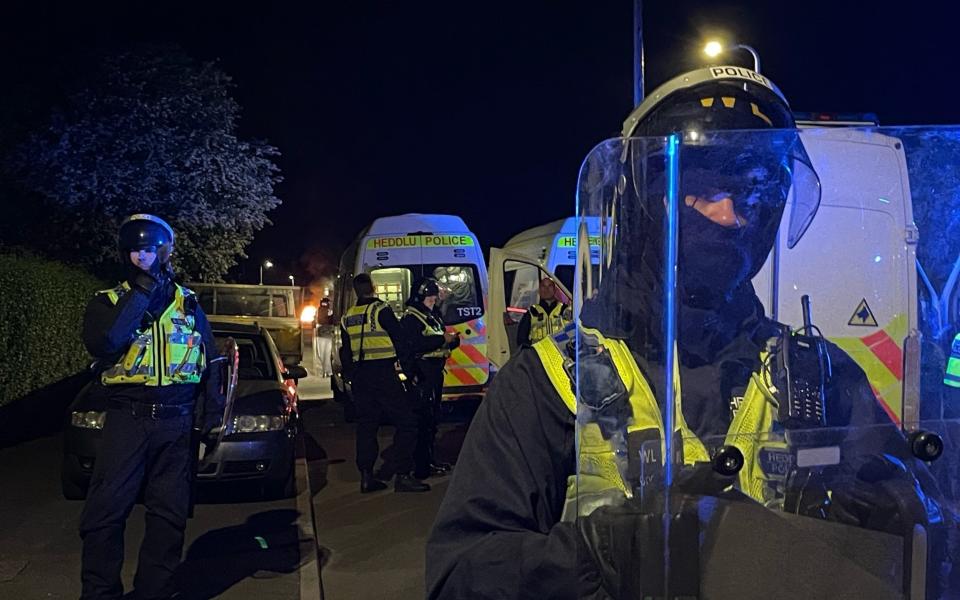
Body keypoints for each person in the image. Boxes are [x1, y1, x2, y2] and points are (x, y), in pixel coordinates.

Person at [426, 67, 953, 598]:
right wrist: (601, 556)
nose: (731, 217)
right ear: (643, 204)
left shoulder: (820, 375)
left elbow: (927, 534)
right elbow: (459, 574)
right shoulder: (549, 384)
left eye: (752, 195)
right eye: (702, 188)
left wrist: (915, 516)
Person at [79, 214, 225, 600]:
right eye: (134, 251)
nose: (141, 258)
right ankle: (99, 592)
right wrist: (142, 290)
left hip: (177, 422)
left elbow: (210, 361)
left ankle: (156, 590)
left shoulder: (188, 304)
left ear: (165, 251)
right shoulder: (106, 301)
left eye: (149, 250)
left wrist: (212, 417)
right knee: (105, 513)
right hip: (128, 417)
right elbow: (107, 342)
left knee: (169, 514)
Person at [339, 273, 429, 493]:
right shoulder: (381, 310)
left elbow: (345, 353)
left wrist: (351, 376)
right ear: (373, 288)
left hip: (361, 378)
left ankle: (367, 477)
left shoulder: (348, 316)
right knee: (407, 422)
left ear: (355, 291)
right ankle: (403, 475)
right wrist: (409, 372)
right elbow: (401, 342)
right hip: (383, 374)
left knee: (366, 426)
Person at [397, 277, 460, 479]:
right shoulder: (411, 318)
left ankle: (430, 461)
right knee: (422, 421)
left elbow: (438, 340)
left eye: (434, 298)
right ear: (419, 297)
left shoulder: (432, 315)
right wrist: (442, 339)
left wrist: (452, 341)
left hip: (434, 372)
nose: (433, 301)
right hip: (422, 373)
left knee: (432, 420)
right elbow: (415, 344)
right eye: (430, 298)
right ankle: (420, 467)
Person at [516, 277, 572, 347]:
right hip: (540, 354)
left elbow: (574, 333)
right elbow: (521, 339)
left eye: (550, 286)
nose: (546, 289)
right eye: (543, 286)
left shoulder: (564, 309)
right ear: (539, 290)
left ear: (555, 290)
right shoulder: (532, 312)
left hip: (561, 353)